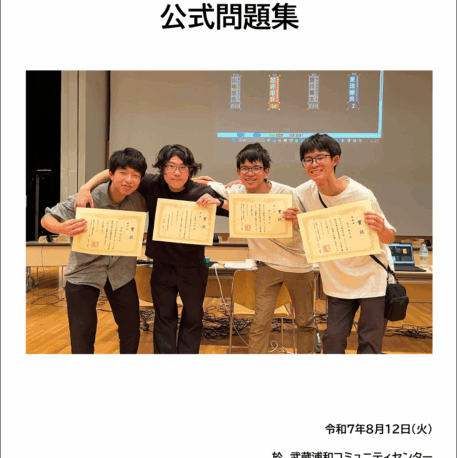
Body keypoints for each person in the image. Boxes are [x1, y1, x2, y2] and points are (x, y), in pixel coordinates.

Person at [74, 144, 229, 354]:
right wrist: (85, 188)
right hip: (162, 266)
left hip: (193, 267)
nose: (176, 172)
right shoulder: (152, 184)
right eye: (171, 166)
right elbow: (112, 172)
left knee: (193, 317)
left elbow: (236, 210)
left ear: (190, 170)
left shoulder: (202, 192)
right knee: (164, 317)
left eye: (182, 167)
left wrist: (220, 201)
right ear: (162, 168)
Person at [195, 143, 316, 354]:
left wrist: (299, 220)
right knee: (260, 322)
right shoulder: (237, 191)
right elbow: (212, 185)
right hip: (268, 266)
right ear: (238, 172)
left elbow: (311, 224)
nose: (250, 173)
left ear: (266, 172)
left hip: (299, 265)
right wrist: (197, 180)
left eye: (255, 168)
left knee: (305, 321)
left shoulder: (287, 193)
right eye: (245, 168)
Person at [282, 133, 396, 354]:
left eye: (320, 157)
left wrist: (382, 229)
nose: (314, 164)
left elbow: (389, 237)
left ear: (335, 159)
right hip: (337, 280)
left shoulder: (360, 194)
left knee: (369, 341)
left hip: (370, 277)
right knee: (333, 339)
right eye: (308, 159)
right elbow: (275, 194)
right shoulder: (304, 192)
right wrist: (243, 186)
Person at [41, 148, 148, 354]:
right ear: (111, 174)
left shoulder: (139, 199)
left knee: (131, 331)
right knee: (82, 334)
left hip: (121, 272)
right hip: (84, 271)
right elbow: (47, 218)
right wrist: (61, 228)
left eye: (135, 175)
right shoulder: (88, 197)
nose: (129, 180)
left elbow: (170, 184)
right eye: (123, 173)